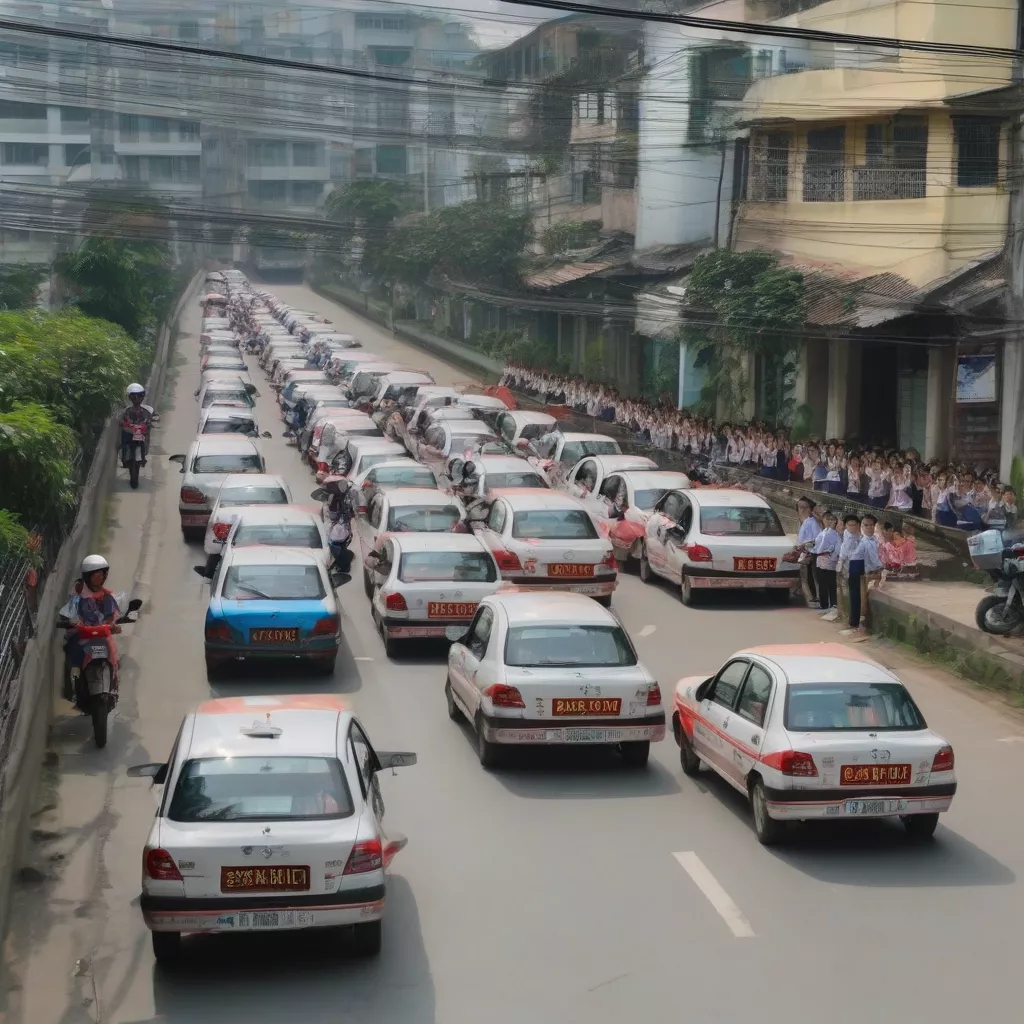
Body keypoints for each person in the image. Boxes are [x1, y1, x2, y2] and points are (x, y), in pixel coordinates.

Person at [65, 555, 122, 705]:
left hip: (101, 635)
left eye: (102, 574)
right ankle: (72, 688)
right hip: (82, 635)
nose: (100, 577)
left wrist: (115, 624)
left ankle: (114, 685)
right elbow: (70, 612)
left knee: (115, 657)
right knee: (73, 655)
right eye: (96, 575)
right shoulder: (78, 595)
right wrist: (73, 621)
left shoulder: (108, 597)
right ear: (88, 576)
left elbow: (114, 614)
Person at [837, 514, 867, 637]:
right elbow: (843, 552)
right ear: (846, 526)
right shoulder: (847, 535)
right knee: (852, 594)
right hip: (849, 567)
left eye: (854, 525)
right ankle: (852, 620)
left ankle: (855, 621)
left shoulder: (862, 537)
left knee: (857, 594)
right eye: (849, 525)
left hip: (860, 566)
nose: (852, 527)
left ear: (858, 525)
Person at [812, 510, 841, 621]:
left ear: (835, 521)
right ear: (823, 520)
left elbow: (837, 549)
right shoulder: (821, 533)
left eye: (831, 519)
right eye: (826, 519)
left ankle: (833, 604)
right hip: (820, 558)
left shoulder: (836, 535)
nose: (828, 521)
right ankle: (823, 604)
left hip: (829, 559)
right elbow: (816, 546)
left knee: (831, 583)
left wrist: (833, 559)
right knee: (821, 582)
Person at [119, 383, 157, 465]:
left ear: (142, 396)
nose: (136, 398)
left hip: (141, 432)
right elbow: (121, 420)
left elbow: (156, 416)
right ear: (130, 397)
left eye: (139, 396)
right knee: (124, 438)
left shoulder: (148, 409)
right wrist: (124, 424)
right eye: (134, 396)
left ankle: (143, 457)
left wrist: (152, 420)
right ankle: (124, 457)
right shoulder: (126, 410)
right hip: (130, 432)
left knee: (144, 439)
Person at [796, 496, 821, 607]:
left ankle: (817, 598)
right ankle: (813, 597)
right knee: (808, 576)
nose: (803, 510)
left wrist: (804, 544)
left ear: (811, 510)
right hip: (806, 552)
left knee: (812, 577)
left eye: (805, 508)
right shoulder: (803, 521)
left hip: (812, 553)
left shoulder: (811, 522)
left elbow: (817, 538)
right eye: (800, 507)